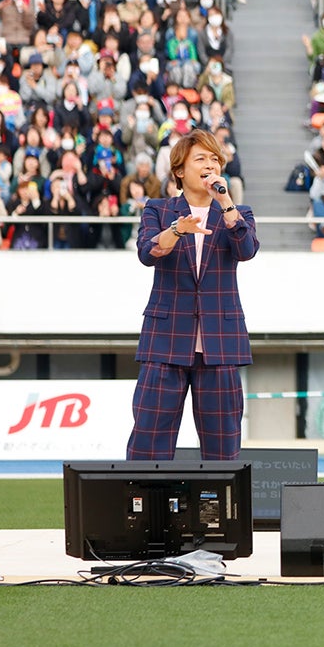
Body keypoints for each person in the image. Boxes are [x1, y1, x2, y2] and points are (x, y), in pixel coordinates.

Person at [126, 131, 258, 460]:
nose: (210, 165)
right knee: (149, 439)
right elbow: (147, 253)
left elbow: (246, 250)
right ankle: (146, 510)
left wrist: (225, 202)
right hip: (166, 340)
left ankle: (217, 512)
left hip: (220, 343)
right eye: (201, 159)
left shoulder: (238, 213)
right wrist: (176, 230)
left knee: (223, 446)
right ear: (180, 170)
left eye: (215, 160)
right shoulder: (158, 209)